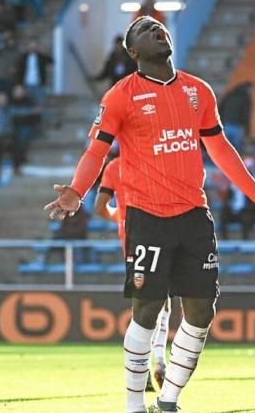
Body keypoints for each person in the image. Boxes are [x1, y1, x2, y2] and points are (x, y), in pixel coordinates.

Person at [43, 15, 255, 413]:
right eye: (144, 30)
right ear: (134, 51)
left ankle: (169, 400)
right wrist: (77, 191)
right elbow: (97, 149)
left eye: (159, 26)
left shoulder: (198, 91)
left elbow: (220, 148)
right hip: (146, 216)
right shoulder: (120, 96)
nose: (157, 29)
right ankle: (133, 404)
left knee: (201, 311)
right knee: (147, 310)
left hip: (194, 214)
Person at [95, 156, 171, 392]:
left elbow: (100, 207)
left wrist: (121, 217)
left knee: (144, 303)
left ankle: (147, 367)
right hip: (158, 231)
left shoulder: (113, 167)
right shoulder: (157, 162)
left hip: (129, 236)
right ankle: (157, 361)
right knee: (162, 303)